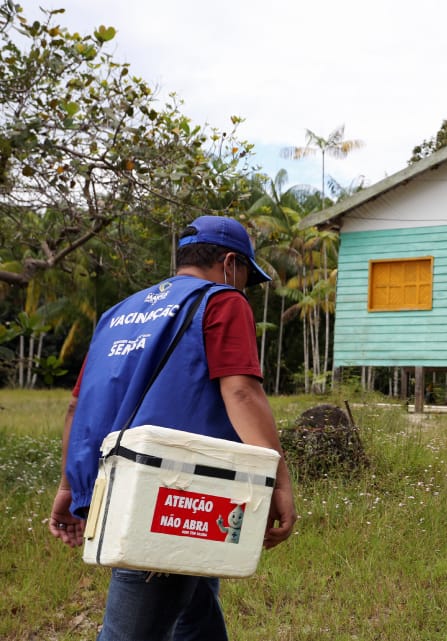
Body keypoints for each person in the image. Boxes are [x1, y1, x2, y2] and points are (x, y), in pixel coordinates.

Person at [48, 215, 297, 641]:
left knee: (195, 614)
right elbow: (241, 393)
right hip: (169, 493)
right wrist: (279, 481)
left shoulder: (119, 313)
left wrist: (69, 487)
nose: (243, 289)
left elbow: (77, 406)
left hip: (121, 483)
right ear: (230, 263)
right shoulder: (222, 301)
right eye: (244, 278)